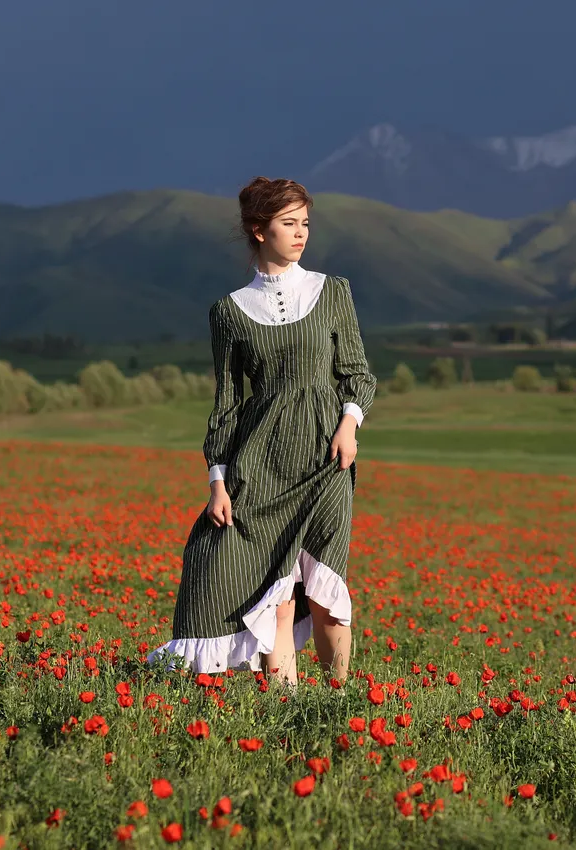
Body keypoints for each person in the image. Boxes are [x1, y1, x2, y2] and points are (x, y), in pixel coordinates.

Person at [146, 176, 377, 689]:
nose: (301, 234)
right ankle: (286, 715)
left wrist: (349, 425)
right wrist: (217, 480)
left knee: (325, 591)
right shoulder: (228, 312)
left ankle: (337, 700)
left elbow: (358, 374)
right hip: (260, 462)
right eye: (289, 224)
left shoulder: (332, 291)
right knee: (272, 594)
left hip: (325, 457)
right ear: (258, 229)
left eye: (305, 224)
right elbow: (226, 406)